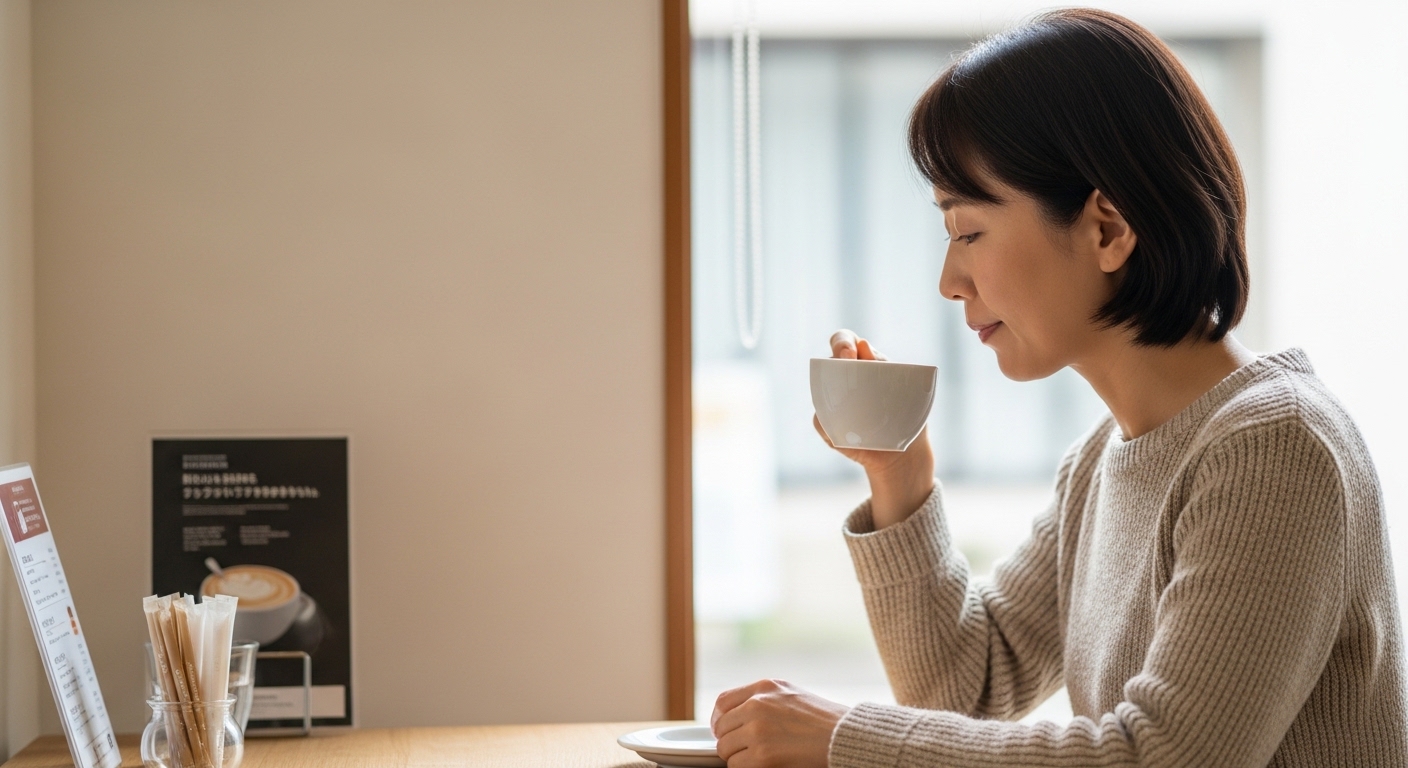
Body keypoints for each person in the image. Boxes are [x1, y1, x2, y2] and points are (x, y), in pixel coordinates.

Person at [708, 8, 1408, 767]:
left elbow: (1162, 758)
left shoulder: (1278, 447)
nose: (948, 282)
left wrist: (843, 739)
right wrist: (899, 478)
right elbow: (966, 690)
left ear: (1107, 229)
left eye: (967, 231)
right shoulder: (1103, 460)